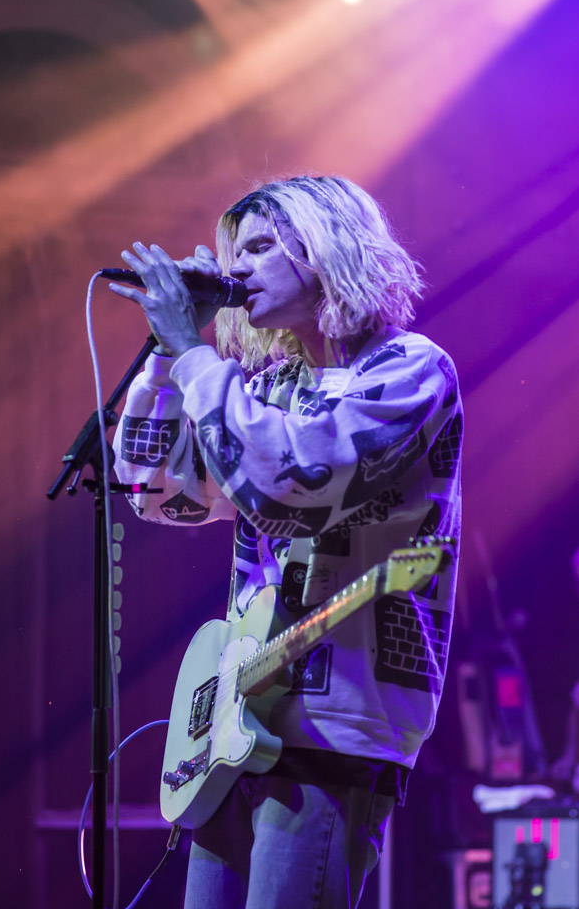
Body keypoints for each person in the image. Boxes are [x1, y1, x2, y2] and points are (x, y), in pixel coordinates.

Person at [110, 175, 463, 909]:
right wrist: (170, 355)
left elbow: (290, 482)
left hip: (338, 726)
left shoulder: (410, 372)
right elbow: (154, 487)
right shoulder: (263, 388)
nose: (235, 270)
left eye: (261, 247)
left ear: (326, 251)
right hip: (239, 716)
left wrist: (193, 354)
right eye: (233, 253)